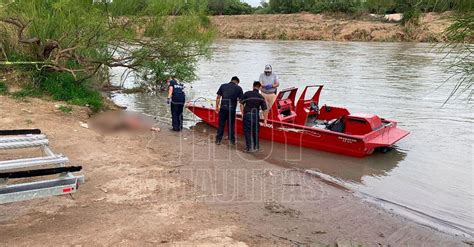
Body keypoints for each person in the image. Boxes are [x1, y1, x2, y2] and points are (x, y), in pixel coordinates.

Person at [240, 81, 268, 153]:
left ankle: (249, 148)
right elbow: (265, 109)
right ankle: (256, 147)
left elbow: (241, 104)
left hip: (248, 115)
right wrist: (265, 120)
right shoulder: (261, 97)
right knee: (256, 132)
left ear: (253, 86)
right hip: (256, 116)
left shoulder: (247, 93)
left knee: (248, 132)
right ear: (259, 88)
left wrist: (243, 114)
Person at [215, 76, 243, 145]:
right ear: (237, 82)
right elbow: (241, 102)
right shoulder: (238, 88)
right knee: (231, 125)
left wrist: (216, 107)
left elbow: (218, 97)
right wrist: (243, 113)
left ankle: (218, 140)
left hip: (223, 108)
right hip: (232, 109)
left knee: (221, 124)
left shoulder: (223, 86)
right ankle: (232, 141)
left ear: (231, 80)